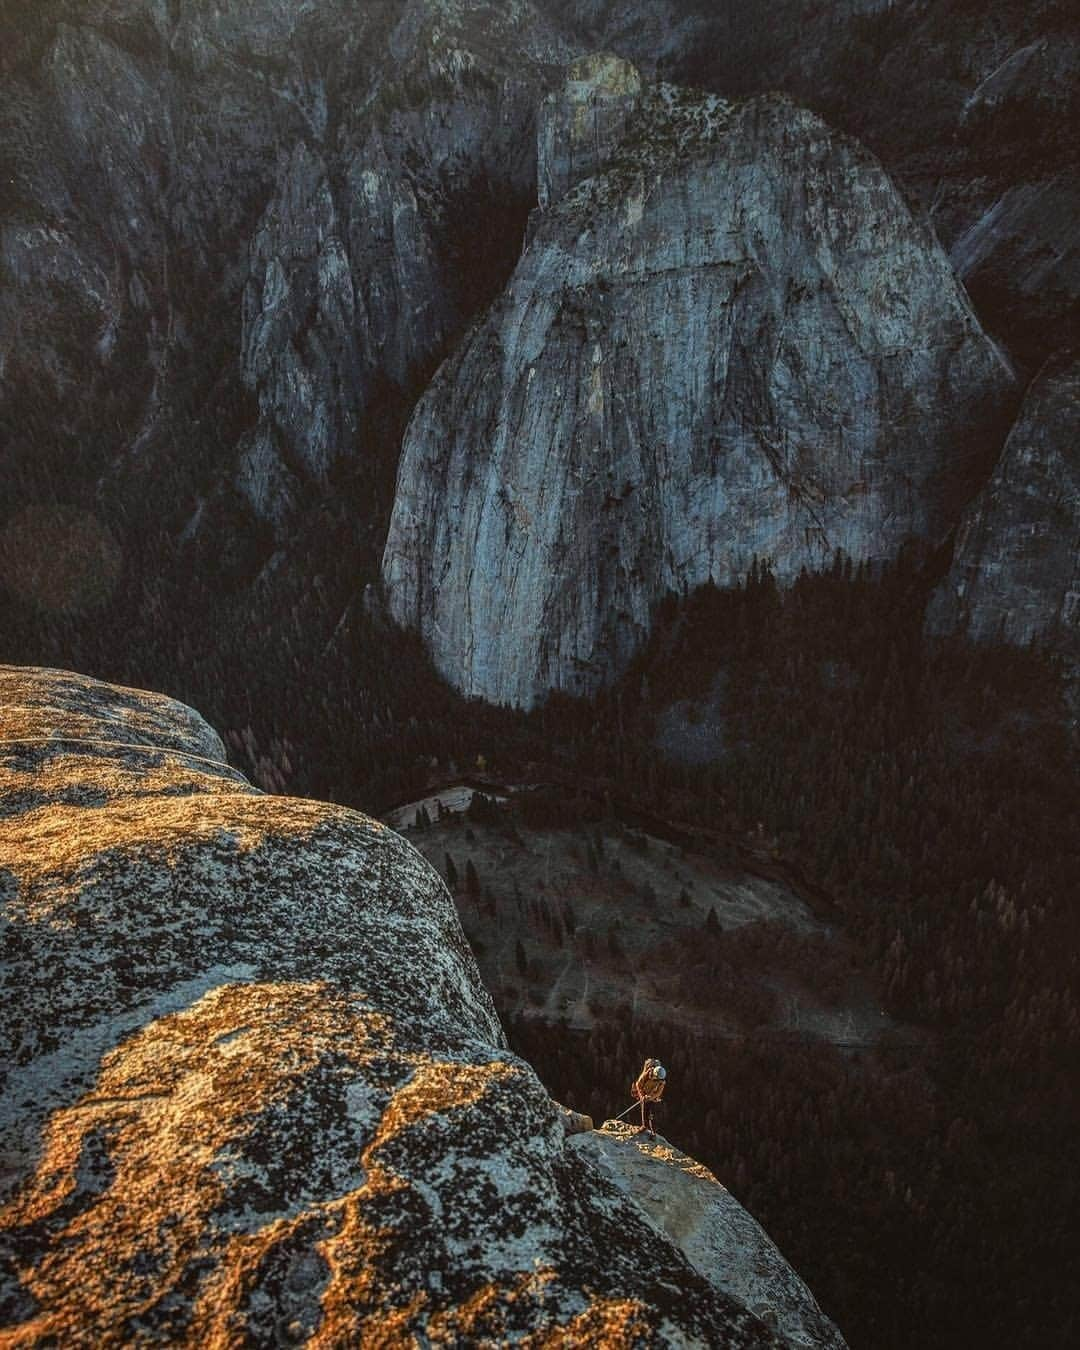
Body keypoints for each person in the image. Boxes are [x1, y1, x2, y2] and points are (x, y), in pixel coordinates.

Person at [632, 1057, 666, 1135]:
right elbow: (638, 1084)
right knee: (644, 1110)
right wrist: (642, 1095)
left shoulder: (661, 1082)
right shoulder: (647, 1074)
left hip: (652, 1098)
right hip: (644, 1094)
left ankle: (653, 1132)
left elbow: (658, 1093)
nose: (657, 1079)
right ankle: (644, 1126)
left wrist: (650, 1097)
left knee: (651, 1114)